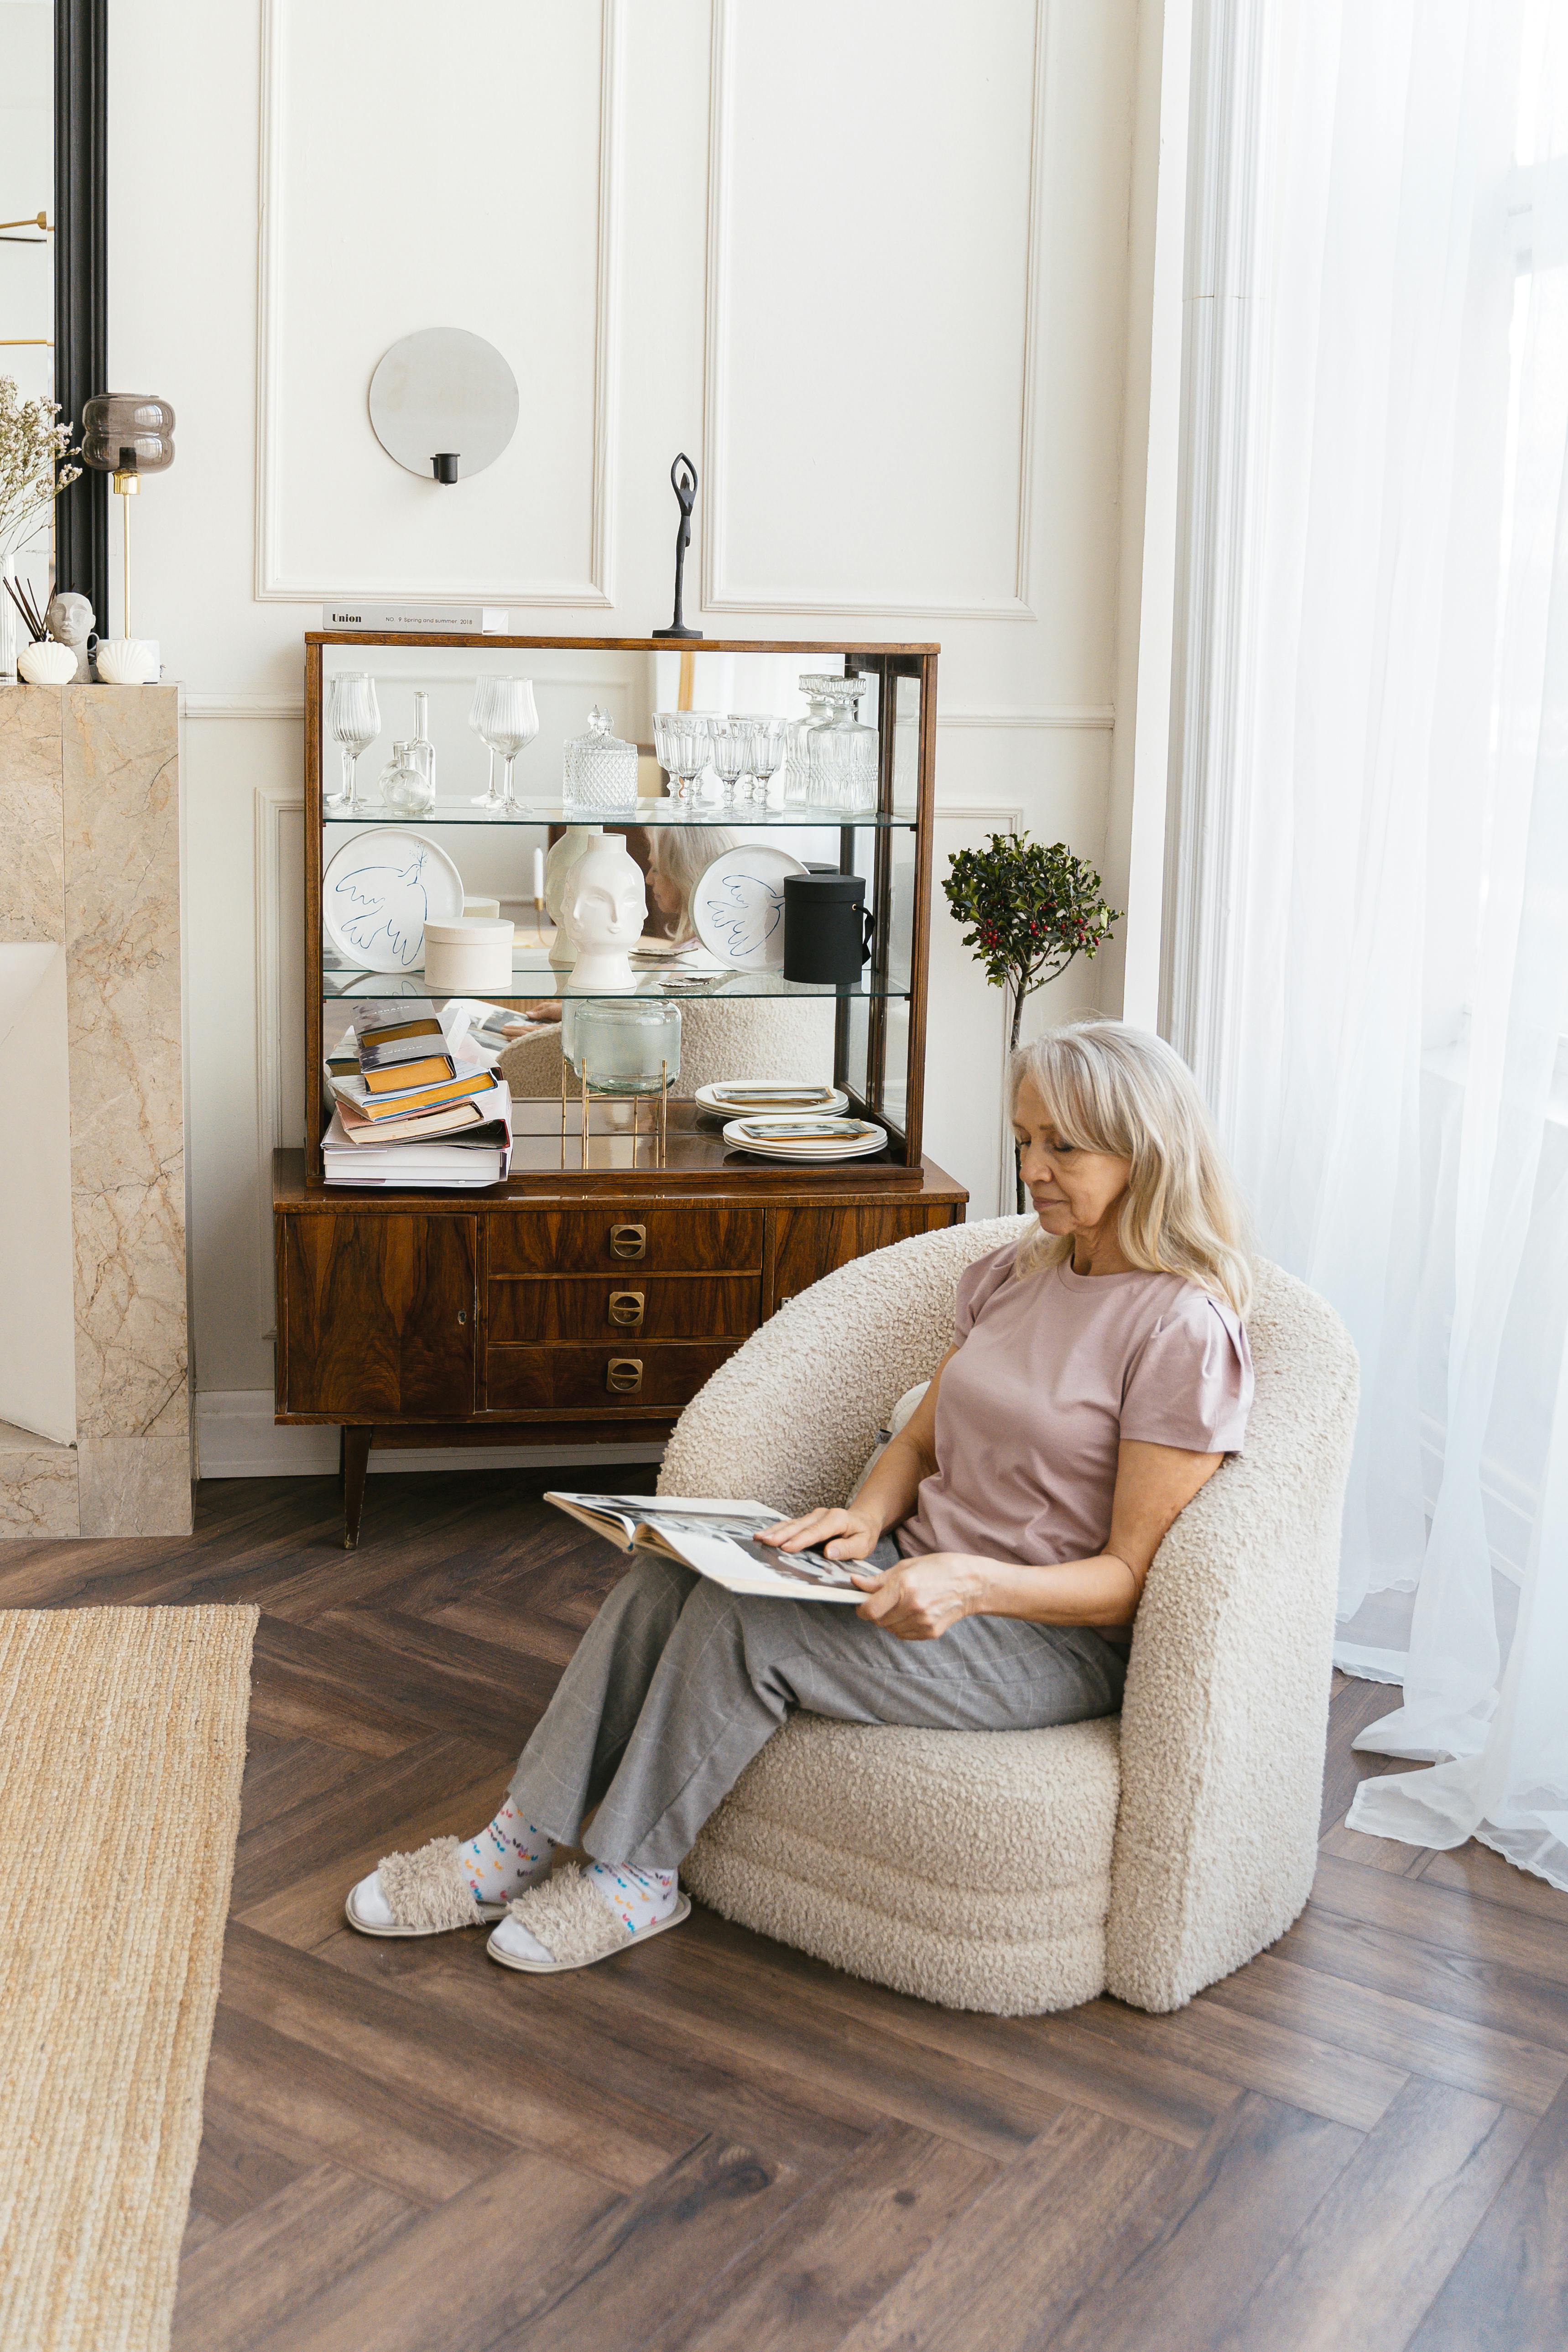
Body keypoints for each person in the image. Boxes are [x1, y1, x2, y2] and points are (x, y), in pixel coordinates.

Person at [346, 1020, 1255, 1976]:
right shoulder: (1016, 1273)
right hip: (914, 1569)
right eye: (1025, 1138)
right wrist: (867, 1516)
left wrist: (974, 1583)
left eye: (1062, 1145)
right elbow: (918, 1436)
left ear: (1146, 1148)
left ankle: (636, 1875)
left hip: (1043, 1636)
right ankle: (515, 1844)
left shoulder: (1182, 1329)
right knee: (662, 1583)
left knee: (754, 1629)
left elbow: (1125, 1582)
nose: (1033, 1166)